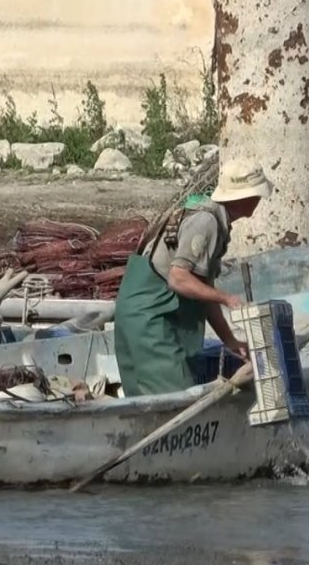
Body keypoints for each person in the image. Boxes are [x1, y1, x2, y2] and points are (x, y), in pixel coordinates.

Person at [113, 166, 272, 396]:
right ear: (243, 197)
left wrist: (230, 341)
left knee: (153, 399)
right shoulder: (206, 222)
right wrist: (227, 298)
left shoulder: (213, 219)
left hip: (146, 315)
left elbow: (203, 291)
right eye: (256, 195)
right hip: (151, 320)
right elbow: (179, 279)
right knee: (172, 400)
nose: (258, 200)